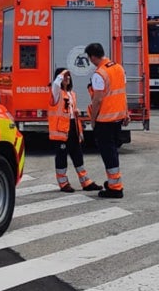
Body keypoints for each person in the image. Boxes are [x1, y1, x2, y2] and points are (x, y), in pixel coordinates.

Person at [85, 41, 127, 199]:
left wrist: (93, 119)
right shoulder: (118, 68)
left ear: (93, 57)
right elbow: (122, 92)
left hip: (105, 120)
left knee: (108, 154)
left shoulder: (100, 74)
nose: (90, 62)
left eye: (90, 58)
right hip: (117, 118)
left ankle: (115, 188)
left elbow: (97, 100)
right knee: (113, 152)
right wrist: (126, 113)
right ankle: (113, 183)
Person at [49, 67, 100, 193]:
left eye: (69, 77)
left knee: (78, 155)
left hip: (73, 128)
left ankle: (86, 182)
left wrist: (80, 132)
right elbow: (56, 83)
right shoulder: (56, 93)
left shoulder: (72, 94)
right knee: (61, 157)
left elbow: (72, 114)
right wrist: (64, 72)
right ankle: (63, 183)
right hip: (61, 131)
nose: (67, 79)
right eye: (65, 77)